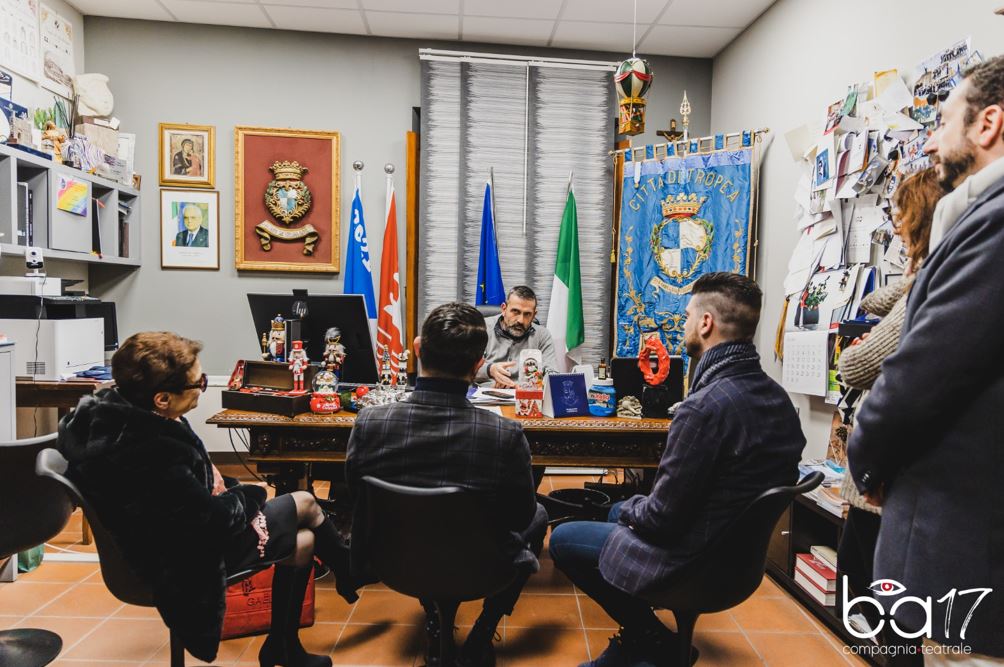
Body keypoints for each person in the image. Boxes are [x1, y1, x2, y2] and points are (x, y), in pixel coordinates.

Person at [57, 332, 360, 667]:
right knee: (304, 502)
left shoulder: (111, 421)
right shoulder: (153, 451)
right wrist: (252, 492)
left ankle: (284, 645)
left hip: (157, 544)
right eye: (198, 383)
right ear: (162, 398)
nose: (203, 387)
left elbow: (189, 497)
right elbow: (214, 521)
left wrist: (228, 490)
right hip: (179, 561)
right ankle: (349, 570)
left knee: (303, 541)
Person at [549, 272, 805, 667]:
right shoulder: (778, 399)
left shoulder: (703, 408)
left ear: (706, 323)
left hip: (692, 562)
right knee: (618, 513)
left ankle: (648, 638)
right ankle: (646, 638)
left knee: (565, 537)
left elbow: (660, 520)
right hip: (740, 564)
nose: (684, 324)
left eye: (687, 316)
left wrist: (629, 506)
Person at [848, 55, 1004, 663]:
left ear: (988, 123)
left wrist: (867, 461)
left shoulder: (994, 224)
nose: (932, 141)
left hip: (968, 551)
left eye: (942, 121)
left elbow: (919, 377)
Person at [346, 302, 547, 667]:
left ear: (418, 349)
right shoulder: (504, 434)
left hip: (395, 561)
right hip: (482, 567)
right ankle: (483, 631)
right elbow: (520, 516)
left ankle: (435, 620)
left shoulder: (369, 423)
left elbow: (358, 498)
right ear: (478, 364)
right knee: (539, 514)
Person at [835, 168, 943, 662]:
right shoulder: (928, 280)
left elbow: (856, 366)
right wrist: (914, 271)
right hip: (882, 479)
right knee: (865, 592)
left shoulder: (930, 288)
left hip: (886, 481)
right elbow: (874, 300)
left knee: (879, 601)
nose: (896, 225)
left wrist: (857, 347)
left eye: (902, 215)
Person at [476, 285, 558, 388]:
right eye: (515, 311)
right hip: (485, 393)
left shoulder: (542, 335)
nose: (520, 320)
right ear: (504, 309)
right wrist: (489, 370)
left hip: (526, 394)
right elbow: (464, 368)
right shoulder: (482, 328)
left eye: (527, 314)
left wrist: (532, 384)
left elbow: (552, 374)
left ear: (534, 315)